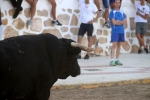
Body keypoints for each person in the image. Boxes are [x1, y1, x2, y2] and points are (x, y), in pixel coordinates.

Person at [109, 0, 127, 66]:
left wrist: (118, 21)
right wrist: (121, 22)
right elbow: (114, 22)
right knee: (114, 45)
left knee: (119, 45)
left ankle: (117, 59)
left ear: (120, 4)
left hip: (121, 31)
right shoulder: (112, 12)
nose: (117, 4)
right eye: (116, 2)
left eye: (118, 2)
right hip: (115, 31)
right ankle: (111, 60)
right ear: (114, 3)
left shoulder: (122, 13)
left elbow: (125, 22)